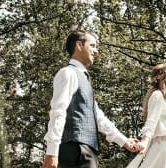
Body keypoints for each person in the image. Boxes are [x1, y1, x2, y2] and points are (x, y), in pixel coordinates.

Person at [42, 28, 140, 168]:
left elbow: (98, 117)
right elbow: (58, 112)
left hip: (87, 150)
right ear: (79, 45)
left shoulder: (83, 78)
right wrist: (52, 152)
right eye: (92, 46)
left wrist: (124, 141)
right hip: (74, 150)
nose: (96, 51)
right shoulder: (67, 73)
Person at [126, 62, 166, 168]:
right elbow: (152, 121)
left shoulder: (165, 98)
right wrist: (145, 140)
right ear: (164, 79)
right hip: (162, 145)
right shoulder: (158, 96)